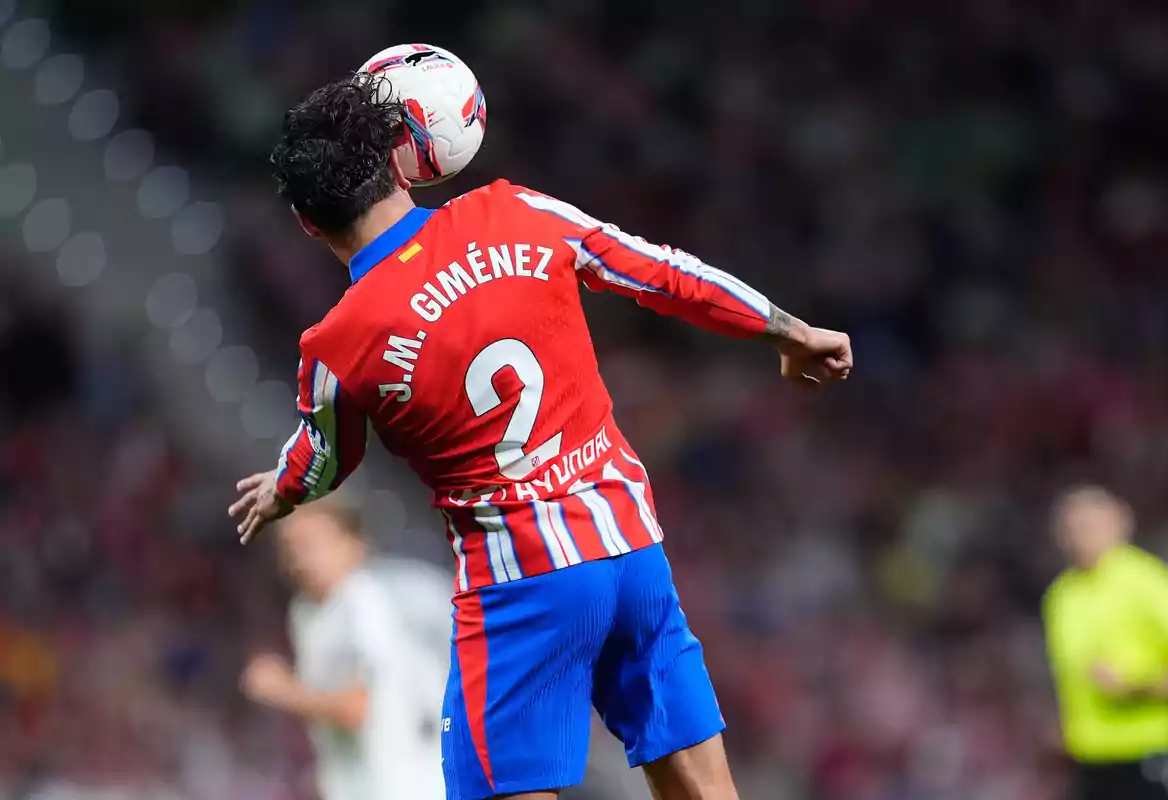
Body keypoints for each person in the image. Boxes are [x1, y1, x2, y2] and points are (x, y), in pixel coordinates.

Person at [229, 72, 853, 800]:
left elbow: (325, 457)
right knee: (704, 789)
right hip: (629, 551)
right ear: (399, 164)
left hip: (520, 585)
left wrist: (281, 489)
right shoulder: (513, 212)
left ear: (308, 222)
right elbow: (659, 271)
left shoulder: (338, 344)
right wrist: (788, 330)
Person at [240, 498, 451, 800]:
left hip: (406, 781)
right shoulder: (309, 612)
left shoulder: (364, 604)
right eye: (290, 547)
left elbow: (360, 708)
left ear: (353, 543)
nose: (301, 558)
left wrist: (282, 689)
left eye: (311, 543)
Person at [1043, 486, 1168, 800]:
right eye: (1072, 528)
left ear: (1120, 525)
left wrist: (1138, 687)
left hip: (1148, 753)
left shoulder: (1147, 581)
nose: (1080, 537)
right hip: (1089, 761)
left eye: (1091, 526)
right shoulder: (1061, 595)